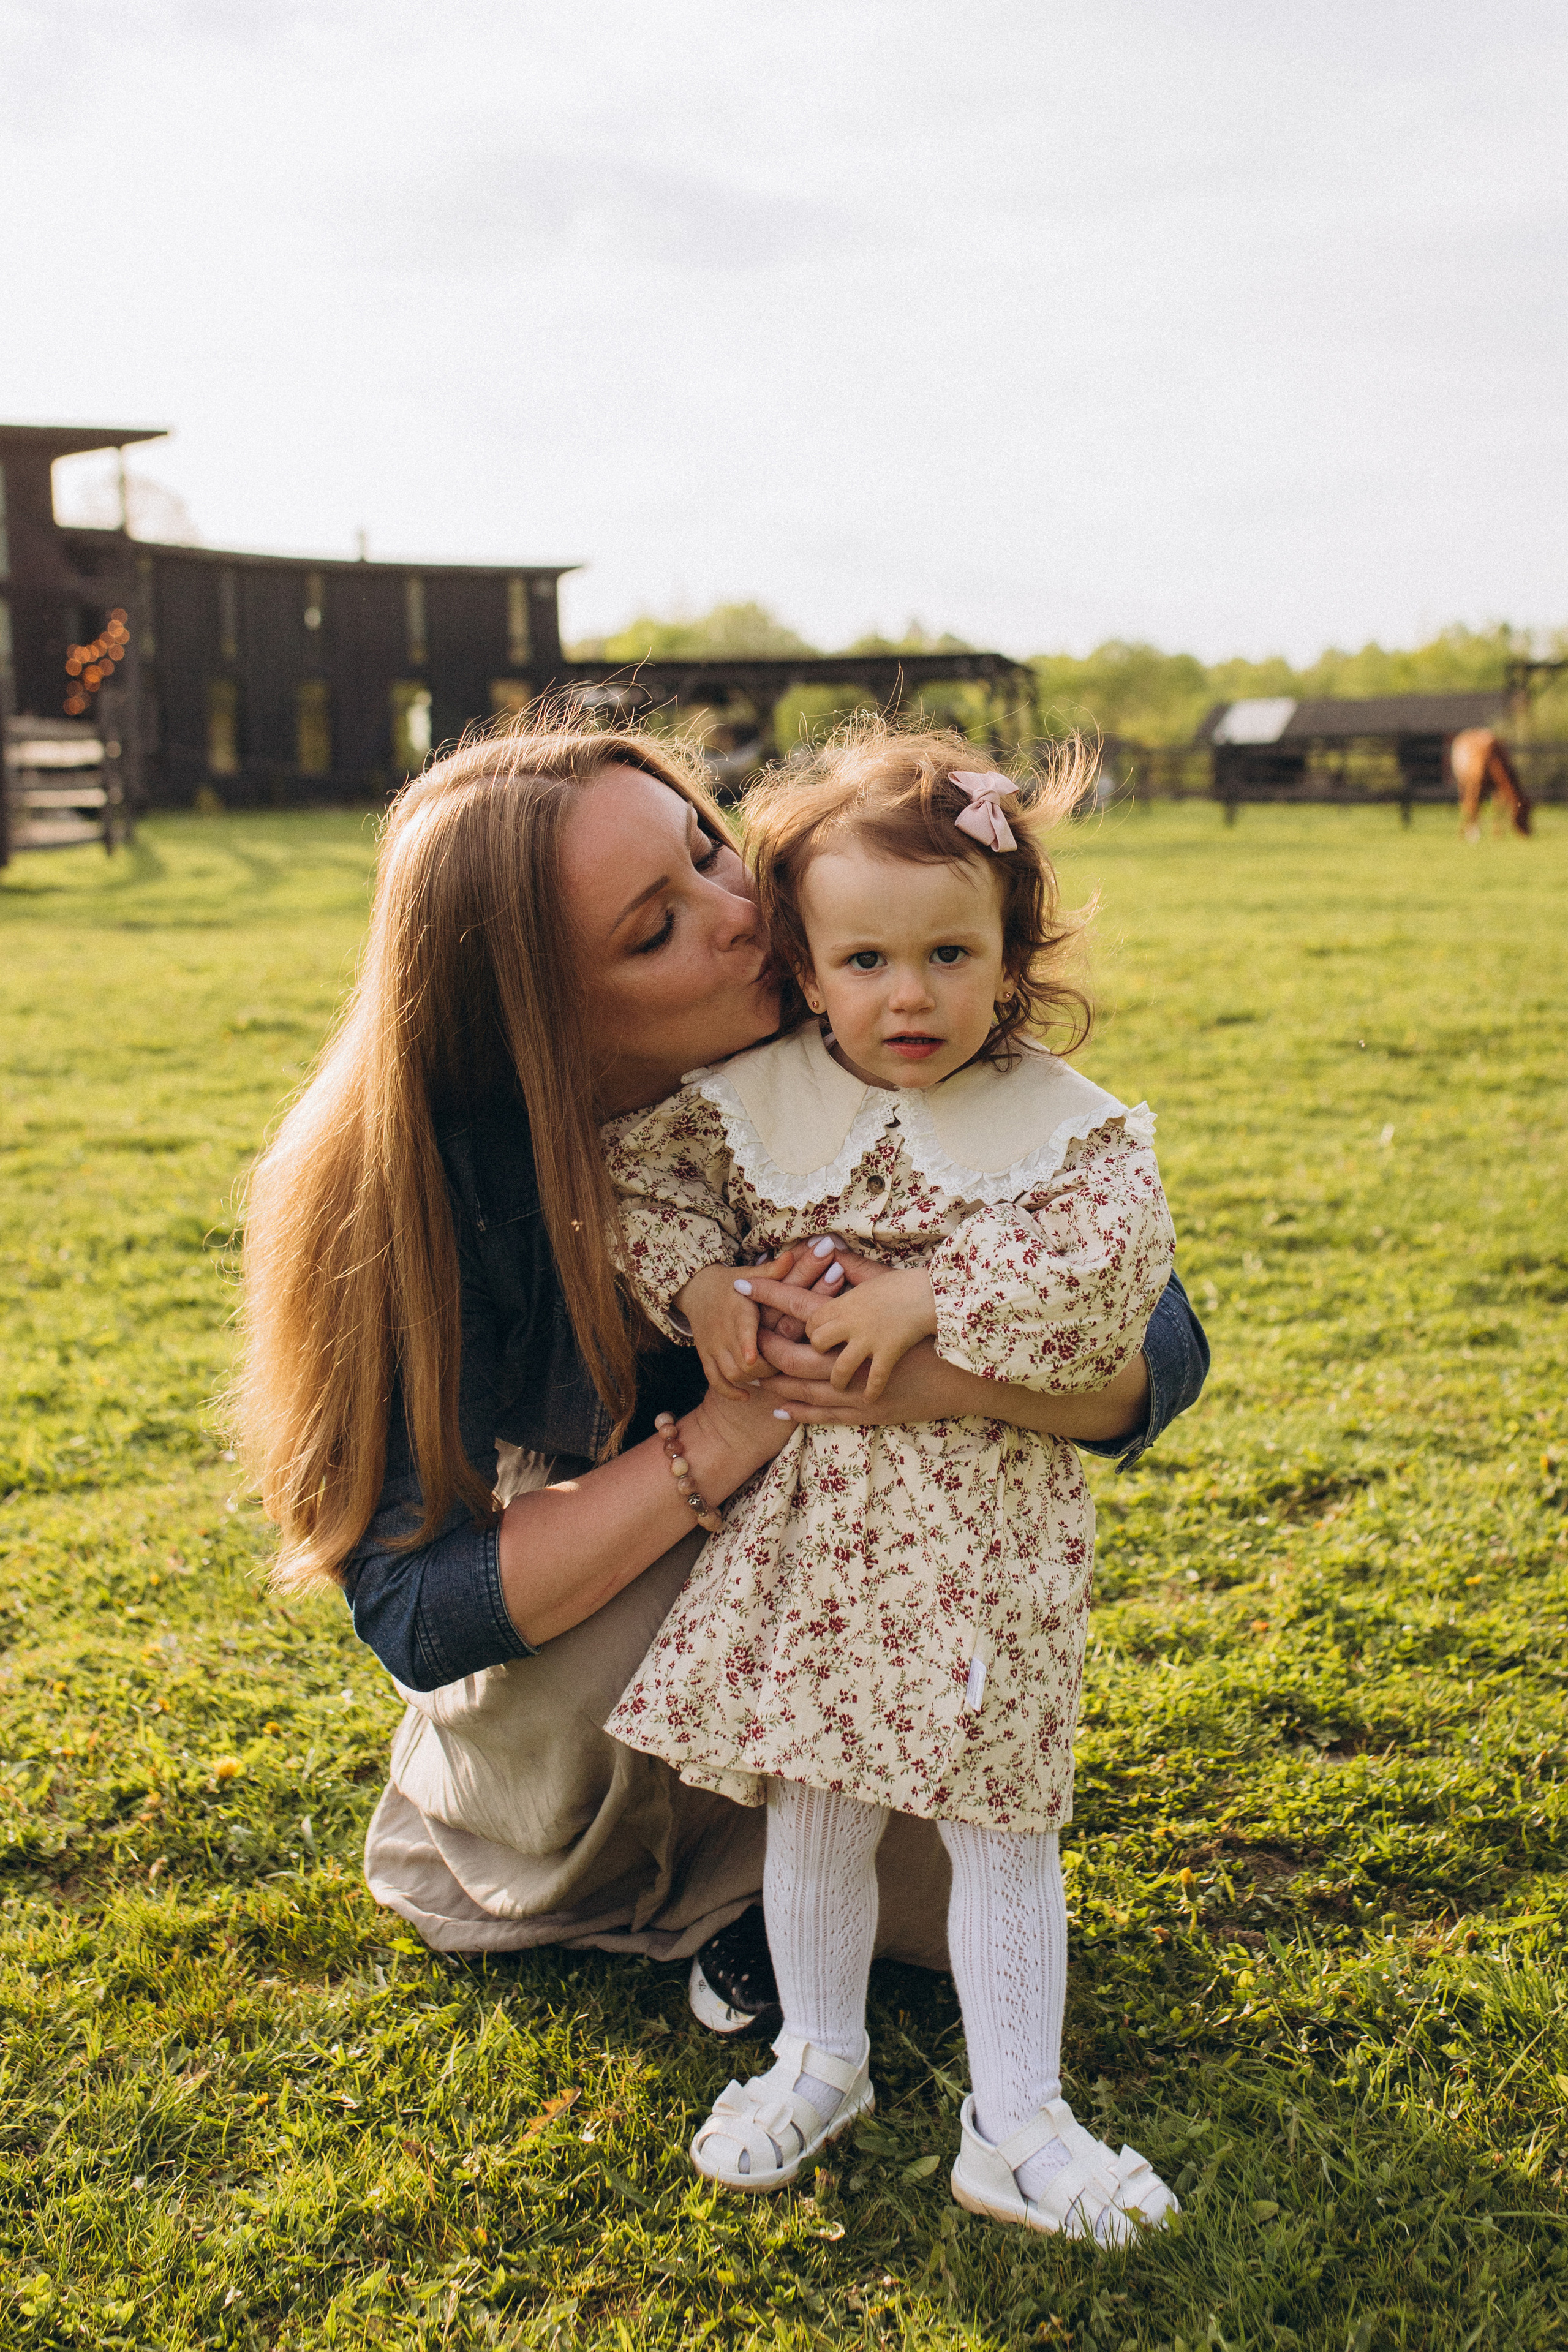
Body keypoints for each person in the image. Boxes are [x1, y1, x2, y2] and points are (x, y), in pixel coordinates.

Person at [236, 715, 1208, 2040]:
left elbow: (1155, 1343)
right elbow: (415, 1607)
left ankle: (781, 1898)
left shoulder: (883, 1037)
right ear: (541, 1020)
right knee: (674, 1604)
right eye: (654, 929)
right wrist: (743, 1419)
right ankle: (669, 1877)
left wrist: (924, 1372)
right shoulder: (430, 1183)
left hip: (863, 1548)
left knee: (922, 1823)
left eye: (706, 848)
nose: (742, 911)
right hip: (596, 1634)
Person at [602, 728, 1180, 2242]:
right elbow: (639, 1191)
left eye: (947, 953)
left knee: (1002, 1823)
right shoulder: (752, 1099)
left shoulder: (1059, 1122)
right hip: (813, 1538)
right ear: (803, 960)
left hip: (981, 1539)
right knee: (816, 1804)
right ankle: (819, 2055)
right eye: (862, 959)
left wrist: (920, 1301)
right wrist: (712, 1289)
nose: (905, 995)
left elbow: (1110, 1268)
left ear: (1008, 957)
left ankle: (1018, 2120)